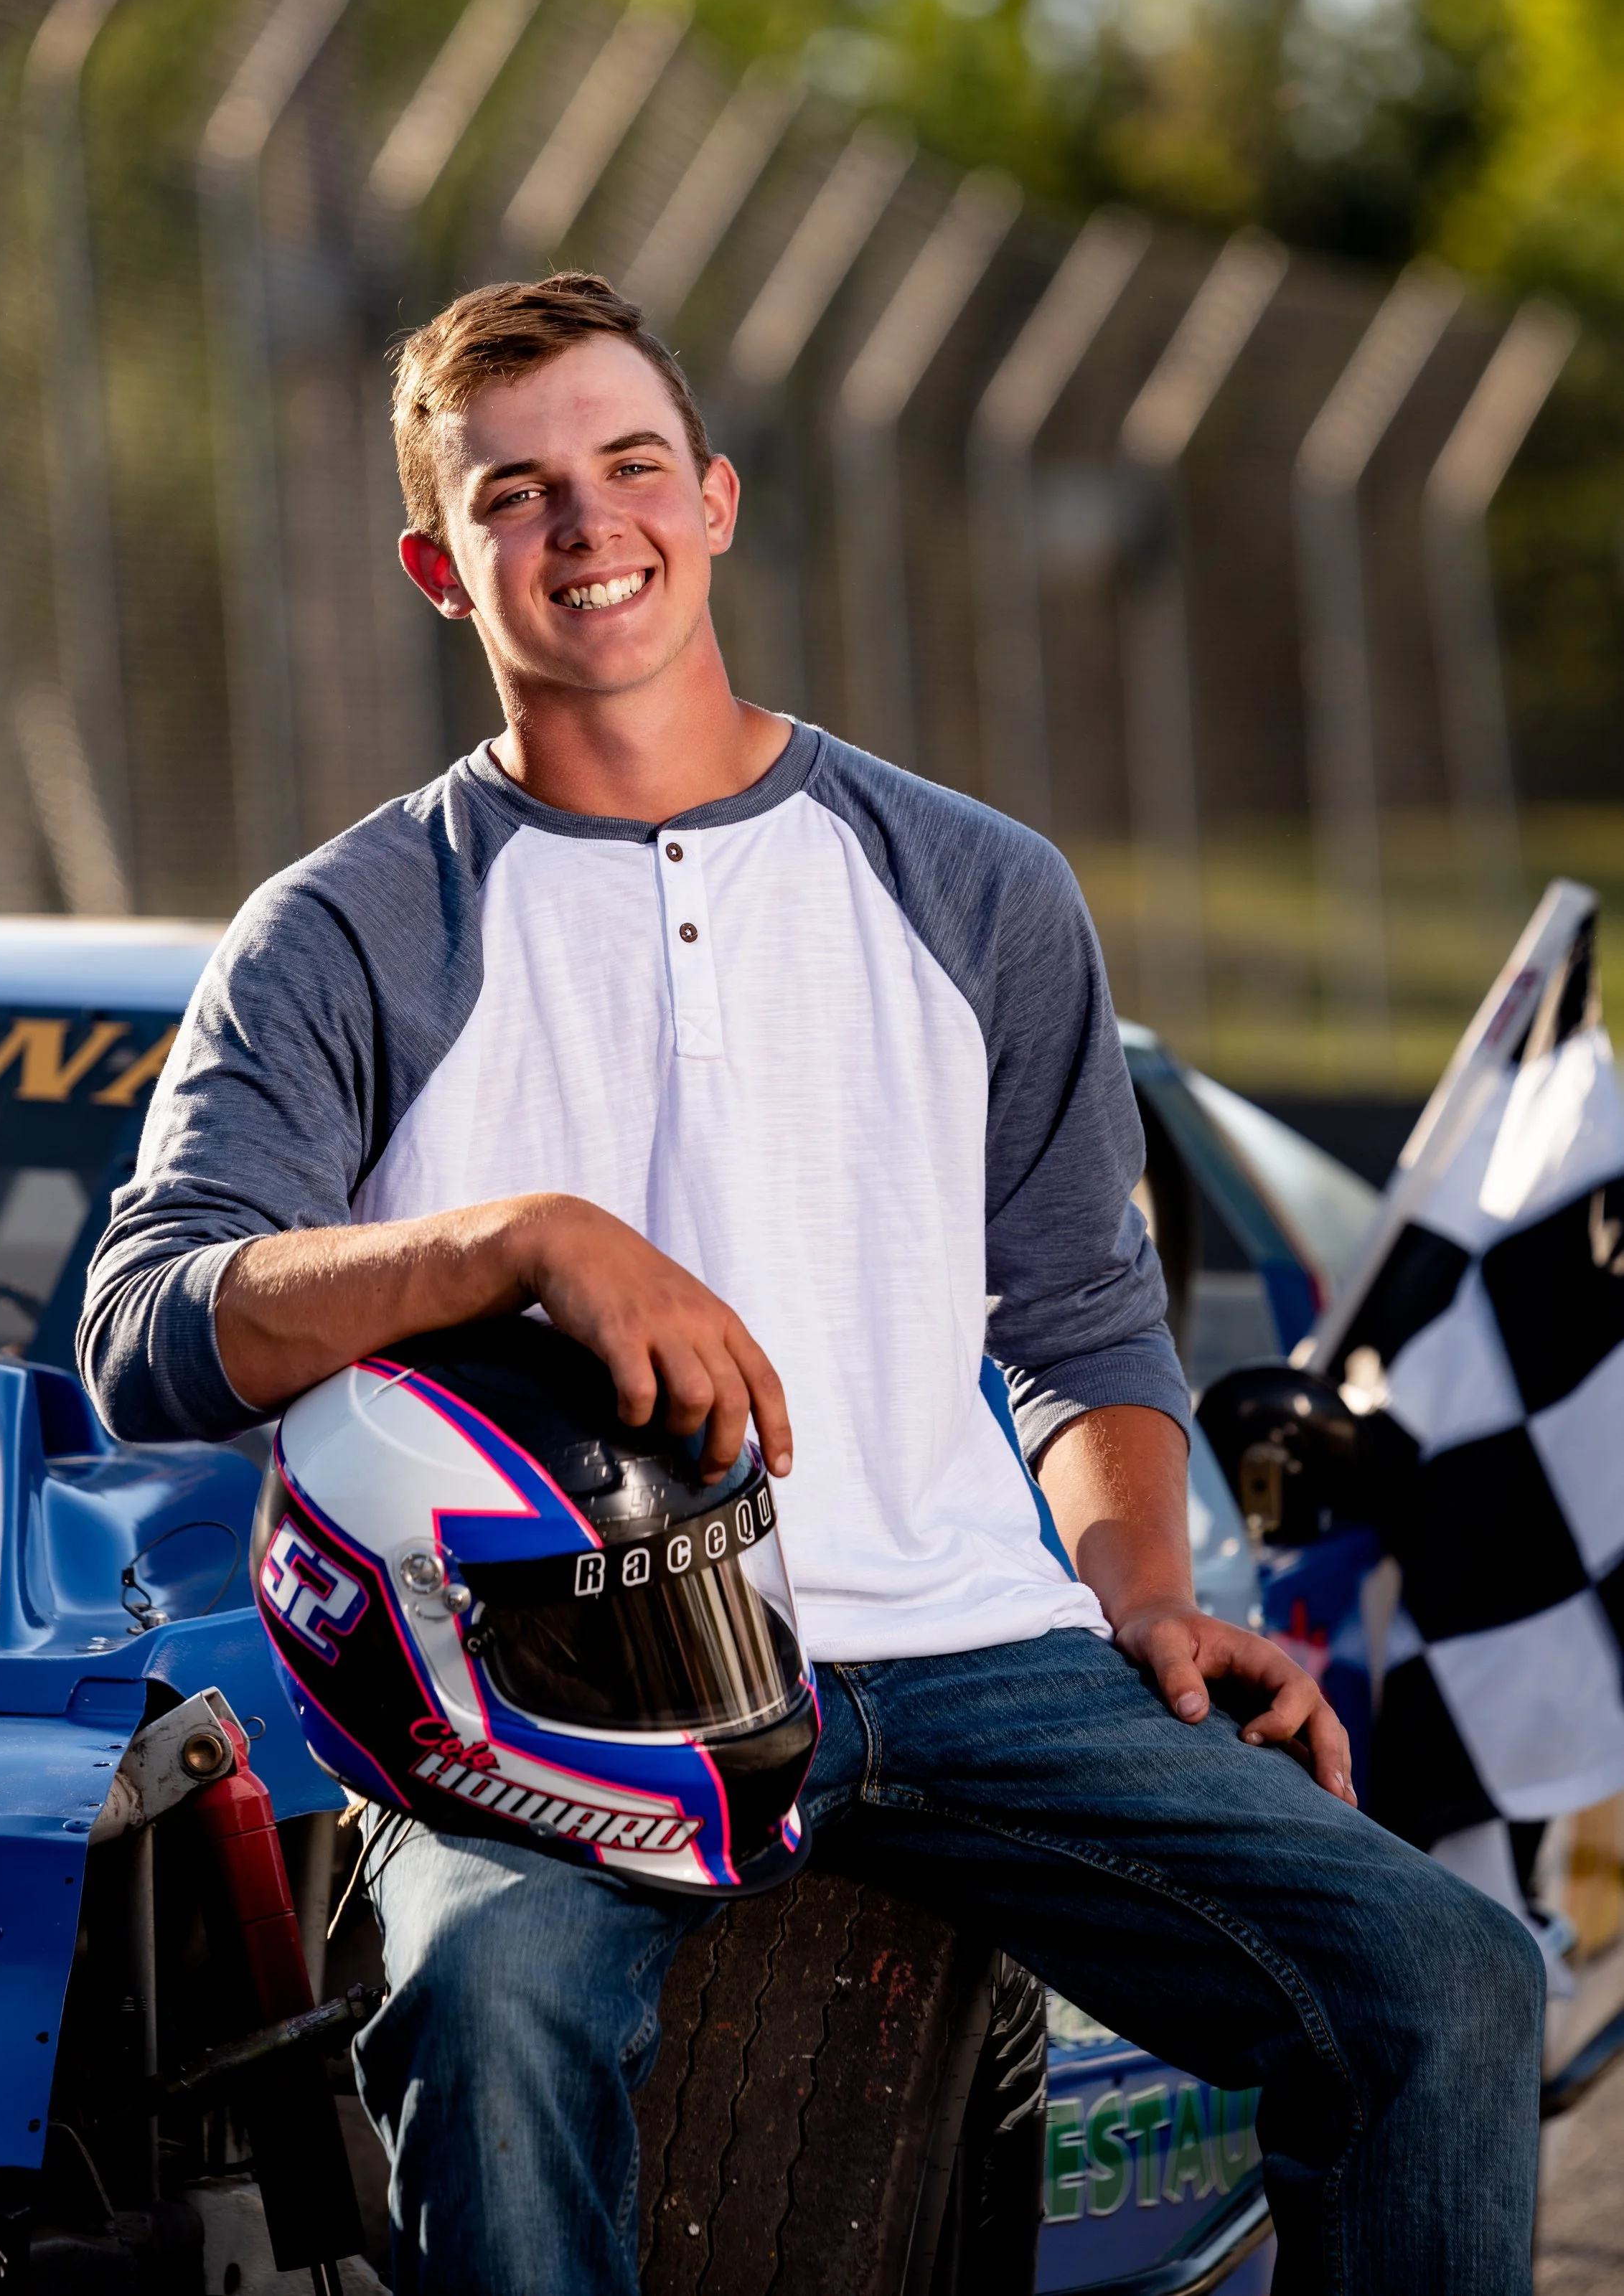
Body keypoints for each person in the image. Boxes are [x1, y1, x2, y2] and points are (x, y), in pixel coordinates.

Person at [80, 273, 1543, 2296]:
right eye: (514, 494)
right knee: (490, 2009)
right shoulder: (341, 930)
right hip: (549, 1691)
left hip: (975, 1659)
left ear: (719, 499)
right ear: (437, 563)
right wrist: (515, 1240)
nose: (584, 526)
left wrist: (1143, 1597)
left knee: (1444, 1974)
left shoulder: (972, 881)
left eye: (628, 466)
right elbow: (148, 1331)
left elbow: (1078, 1320)